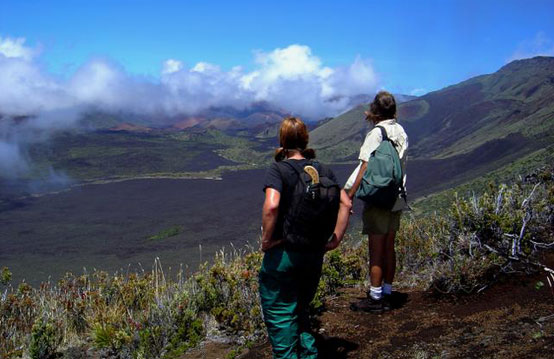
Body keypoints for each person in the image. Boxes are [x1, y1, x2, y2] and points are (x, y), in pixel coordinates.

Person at [259, 116, 352, 359]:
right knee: (300, 310)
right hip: (313, 254)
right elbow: (346, 202)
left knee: (281, 315)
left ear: (282, 141)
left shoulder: (279, 169)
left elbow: (271, 206)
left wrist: (267, 241)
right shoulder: (323, 170)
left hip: (284, 254)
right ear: (305, 139)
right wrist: (336, 239)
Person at [345, 91, 408, 312]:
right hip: (398, 195)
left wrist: (349, 195)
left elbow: (364, 167)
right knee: (390, 246)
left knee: (376, 248)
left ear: (374, 111)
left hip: (379, 197)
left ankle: (375, 297)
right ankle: (388, 292)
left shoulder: (376, 133)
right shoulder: (400, 131)